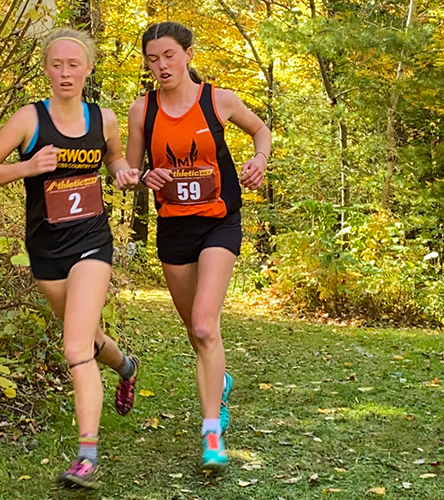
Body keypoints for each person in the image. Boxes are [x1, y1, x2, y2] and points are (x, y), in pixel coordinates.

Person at [0, 28, 141, 489]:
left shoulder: (103, 118)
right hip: (45, 249)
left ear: (88, 68)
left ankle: (86, 456)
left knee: (73, 348)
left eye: (74, 64)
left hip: (92, 242)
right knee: (87, 339)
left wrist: (122, 171)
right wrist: (27, 167)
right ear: (46, 69)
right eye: (57, 64)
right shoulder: (29, 119)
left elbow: (114, 159)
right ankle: (125, 365)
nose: (65, 73)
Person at [124, 21, 271, 471]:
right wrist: (145, 177)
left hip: (219, 223)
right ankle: (219, 379)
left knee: (206, 326)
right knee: (195, 330)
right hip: (174, 229)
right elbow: (130, 171)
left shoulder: (218, 100)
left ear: (187, 54)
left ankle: (212, 432)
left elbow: (260, 130)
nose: (161, 66)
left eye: (168, 55)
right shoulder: (141, 109)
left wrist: (259, 160)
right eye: (152, 59)